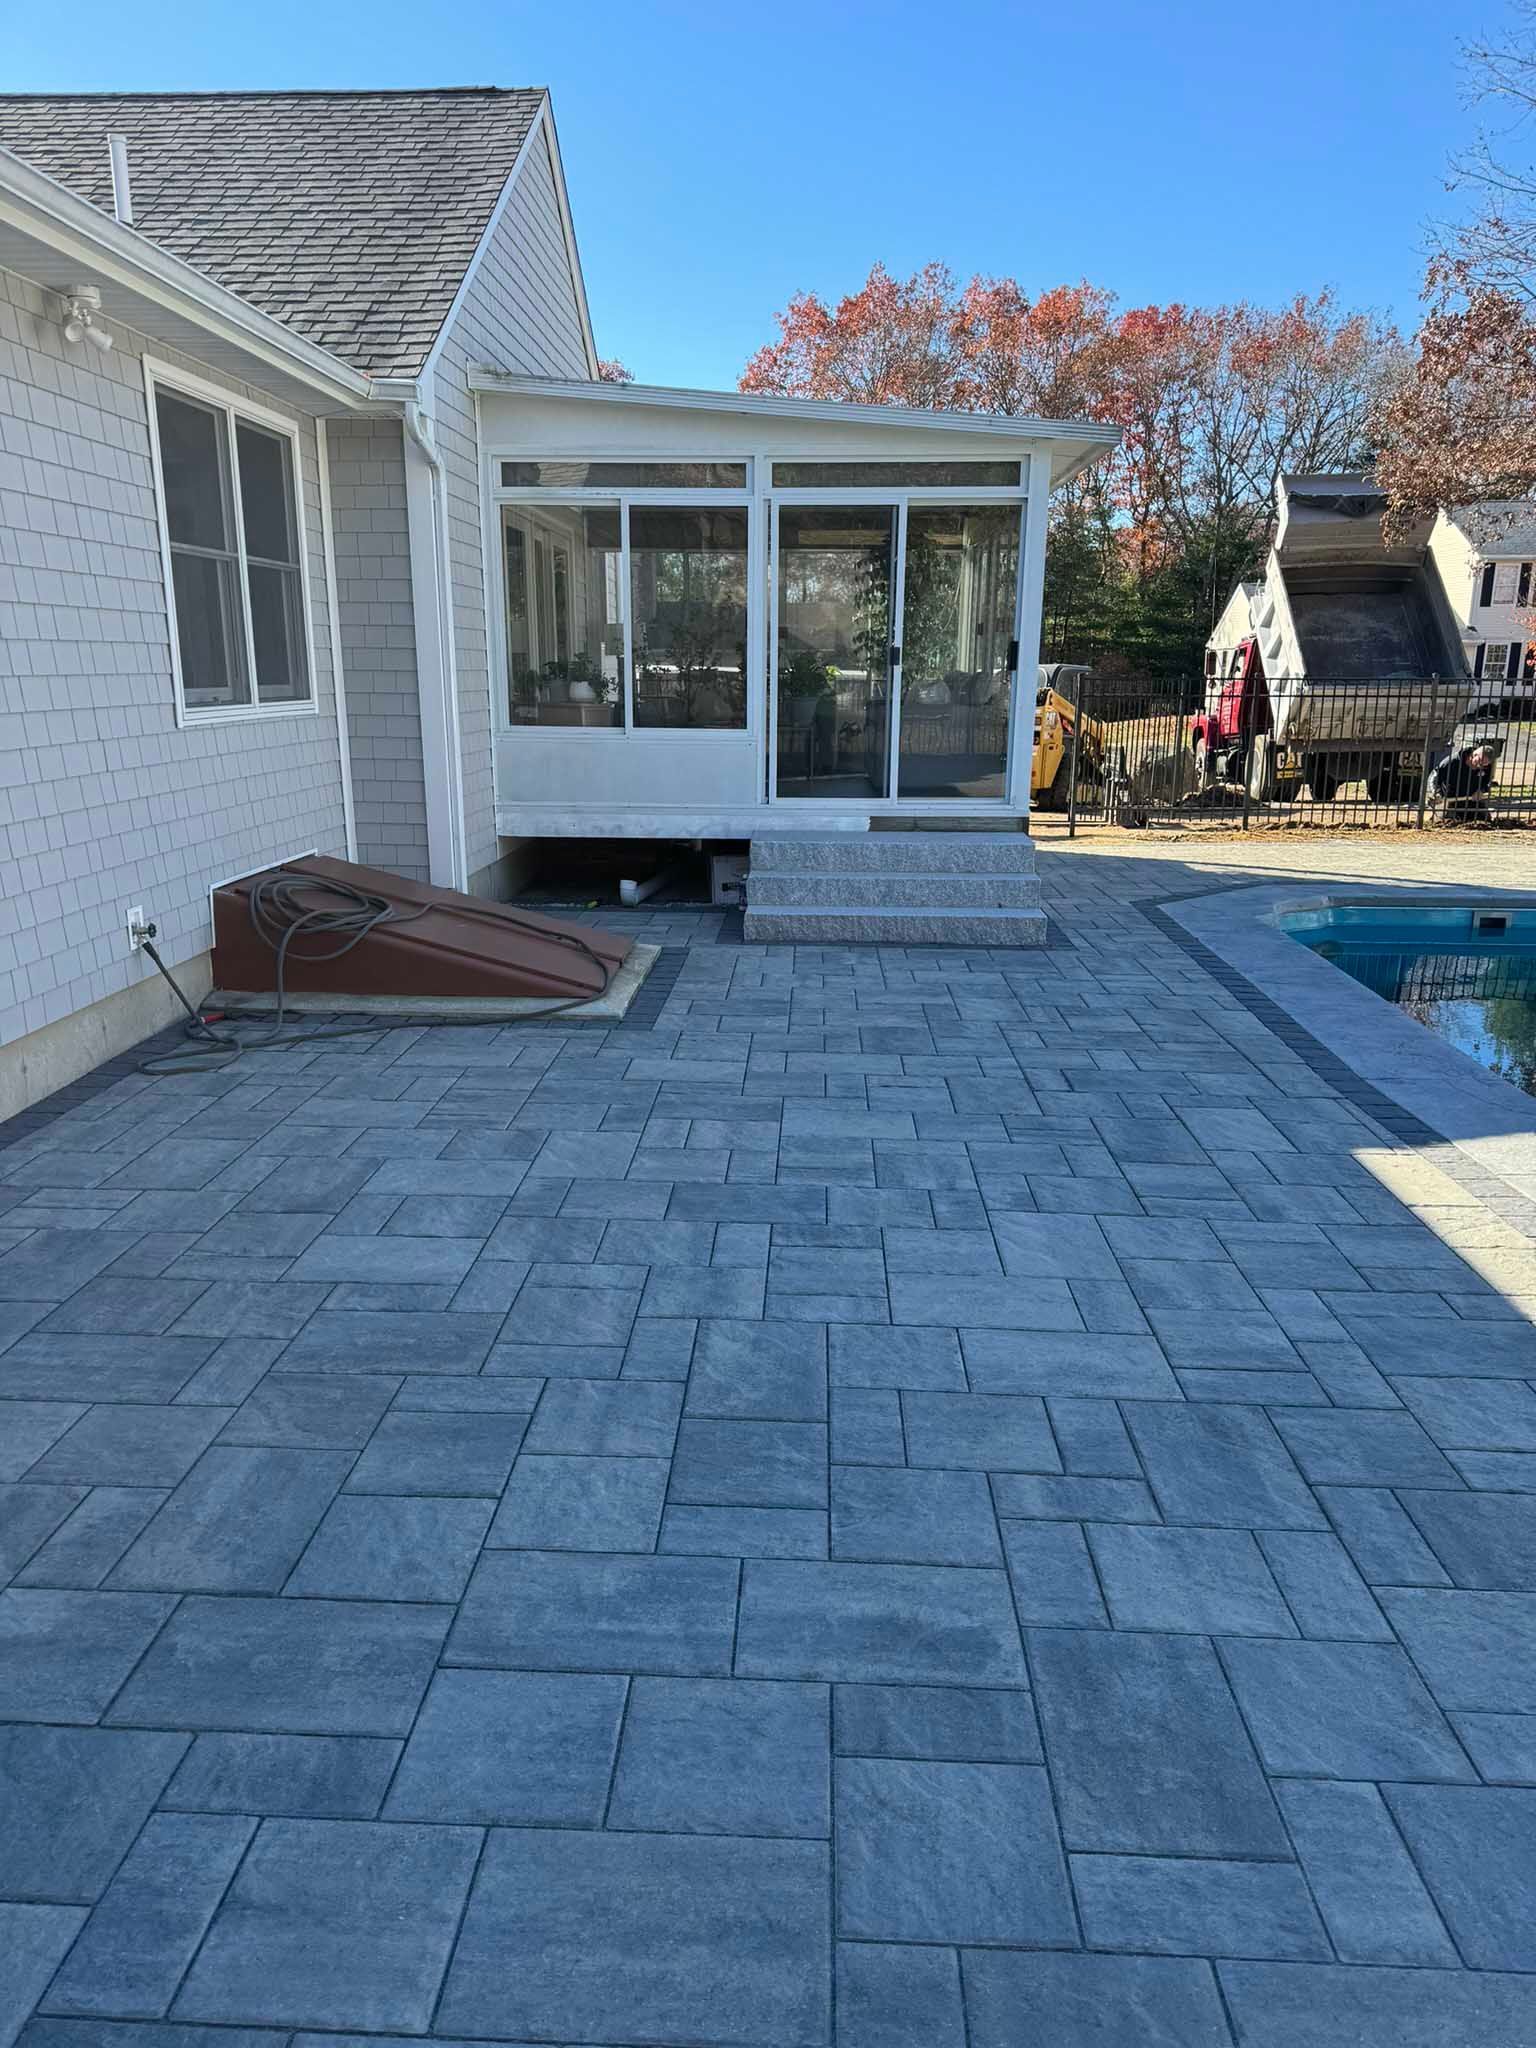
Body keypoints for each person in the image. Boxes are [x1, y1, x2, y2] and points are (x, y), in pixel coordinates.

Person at [1435, 743, 1499, 823]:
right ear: (1474, 754)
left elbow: (1486, 782)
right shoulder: (1452, 762)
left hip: (1472, 799)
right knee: (1450, 822)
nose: (1480, 766)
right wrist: (1437, 793)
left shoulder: (1487, 767)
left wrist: (1481, 790)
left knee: (1485, 819)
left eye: (1484, 765)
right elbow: (1434, 778)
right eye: (1479, 761)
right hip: (1451, 800)